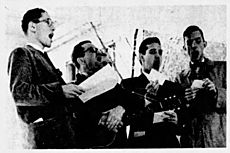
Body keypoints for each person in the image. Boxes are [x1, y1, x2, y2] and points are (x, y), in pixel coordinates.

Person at [7, 8, 85, 148]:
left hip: (63, 138)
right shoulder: (22, 53)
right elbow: (20, 93)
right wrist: (60, 91)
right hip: (45, 141)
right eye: (48, 22)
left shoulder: (43, 57)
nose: (53, 27)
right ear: (32, 27)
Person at [71, 40, 142, 148]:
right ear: (81, 60)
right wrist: (103, 120)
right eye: (92, 50)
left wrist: (120, 109)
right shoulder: (74, 89)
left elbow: (134, 101)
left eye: (97, 49)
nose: (98, 52)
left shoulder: (109, 82)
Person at [120, 37, 180, 148]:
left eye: (160, 52)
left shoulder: (171, 87)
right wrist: (145, 102)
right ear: (141, 57)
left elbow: (182, 123)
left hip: (168, 145)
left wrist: (177, 119)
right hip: (141, 145)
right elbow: (125, 117)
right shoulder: (129, 85)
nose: (157, 56)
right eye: (152, 52)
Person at [175, 25, 226, 147]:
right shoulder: (180, 78)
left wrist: (216, 92)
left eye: (198, 41)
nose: (193, 46)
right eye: (189, 43)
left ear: (204, 44)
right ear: (184, 48)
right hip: (191, 144)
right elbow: (177, 117)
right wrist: (184, 101)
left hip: (217, 141)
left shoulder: (223, 69)